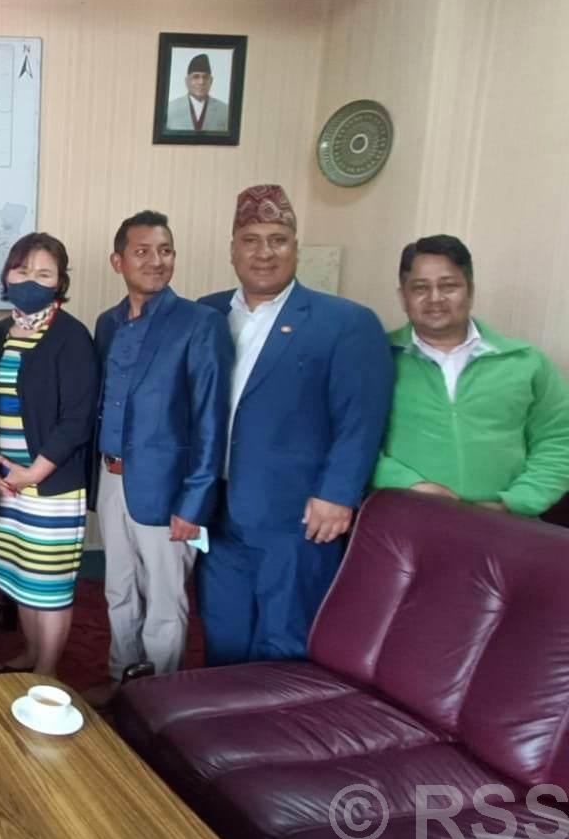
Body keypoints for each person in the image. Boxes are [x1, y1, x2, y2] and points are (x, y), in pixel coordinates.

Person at [197, 185, 393, 665]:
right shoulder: (206, 312)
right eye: (251, 240)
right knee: (222, 632)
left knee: (284, 642)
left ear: (296, 248)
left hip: (296, 515)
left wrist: (338, 493)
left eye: (278, 239)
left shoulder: (345, 322)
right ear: (232, 249)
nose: (264, 252)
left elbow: (360, 417)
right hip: (216, 510)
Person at [93, 210, 230, 698]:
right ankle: (121, 683)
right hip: (111, 478)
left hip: (169, 487)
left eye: (165, 250)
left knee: (165, 601)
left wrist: (194, 503)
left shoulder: (200, 323)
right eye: (142, 251)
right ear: (118, 261)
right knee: (118, 589)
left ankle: (159, 700)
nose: (156, 261)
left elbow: (211, 420)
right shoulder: (108, 323)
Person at [373, 234, 569, 514]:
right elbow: (346, 437)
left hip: (507, 524)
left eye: (449, 286)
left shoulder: (525, 362)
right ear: (403, 296)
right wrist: (408, 485)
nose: (435, 298)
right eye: (420, 288)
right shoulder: (376, 357)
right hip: (401, 518)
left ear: (470, 291)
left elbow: (559, 439)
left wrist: (516, 502)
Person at [0, 233, 98, 677]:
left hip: (50, 486)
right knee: (19, 576)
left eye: (44, 273)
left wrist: (32, 473)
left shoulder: (70, 336)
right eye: (22, 270)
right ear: (7, 275)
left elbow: (77, 418)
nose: (31, 280)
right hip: (4, 483)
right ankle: (30, 654)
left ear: (59, 282)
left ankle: (47, 672)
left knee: (48, 586)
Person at [164, 53, 230, 133]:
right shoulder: (170, 109)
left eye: (205, 77)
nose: (201, 82)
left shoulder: (224, 111)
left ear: (211, 81)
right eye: (196, 77)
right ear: (187, 81)